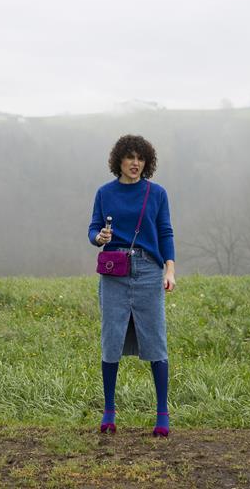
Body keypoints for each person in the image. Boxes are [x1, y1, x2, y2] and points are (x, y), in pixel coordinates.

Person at [88, 134, 176, 437]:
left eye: (140, 158)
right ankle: (109, 411)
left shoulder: (157, 193)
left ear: (146, 162)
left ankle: (162, 414)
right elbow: (93, 228)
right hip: (114, 271)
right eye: (130, 157)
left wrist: (170, 270)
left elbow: (165, 232)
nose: (135, 163)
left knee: (155, 339)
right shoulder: (104, 193)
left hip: (149, 270)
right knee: (111, 338)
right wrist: (99, 238)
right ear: (119, 161)